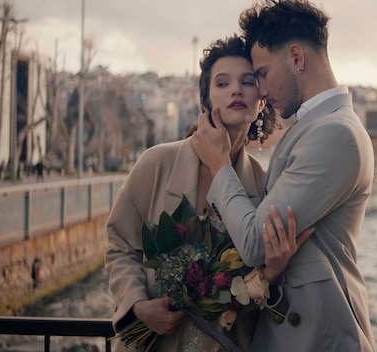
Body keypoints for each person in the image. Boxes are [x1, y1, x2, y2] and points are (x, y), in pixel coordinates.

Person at [105, 35, 312, 352]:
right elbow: (120, 246)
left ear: (261, 101)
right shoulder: (156, 163)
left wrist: (272, 270)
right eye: (222, 82)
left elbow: (258, 283)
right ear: (205, 101)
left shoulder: (265, 183)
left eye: (247, 81)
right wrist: (138, 306)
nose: (236, 90)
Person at [190, 0, 376, 351]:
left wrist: (219, 165)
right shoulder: (316, 127)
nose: (258, 91)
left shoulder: (335, 134)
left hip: (317, 337)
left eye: (261, 74)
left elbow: (253, 243)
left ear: (296, 58)